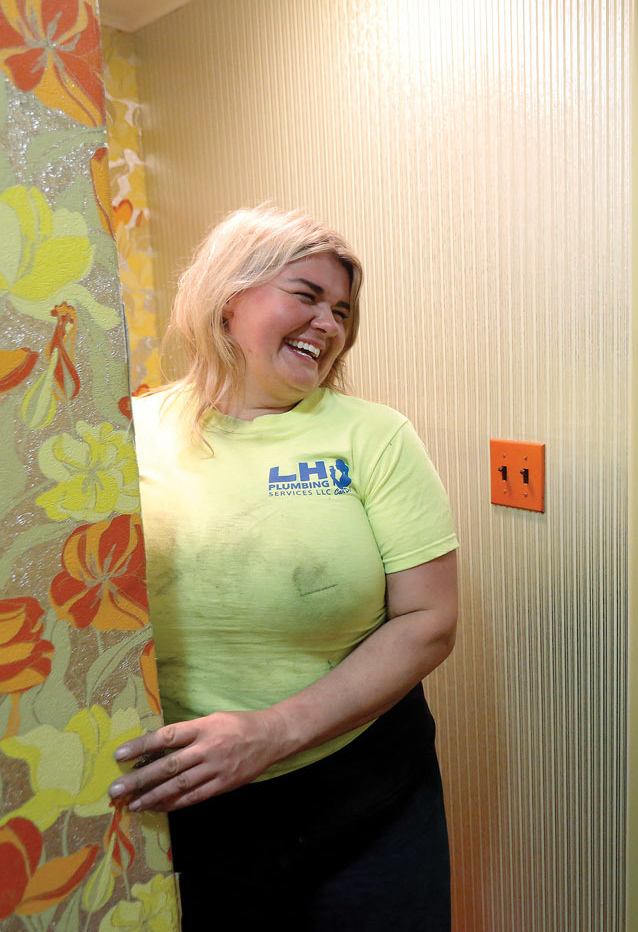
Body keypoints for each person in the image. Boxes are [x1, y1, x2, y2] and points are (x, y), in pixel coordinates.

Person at [109, 205, 460, 931]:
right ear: (227, 299)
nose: (329, 324)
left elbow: (429, 620)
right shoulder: (132, 436)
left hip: (364, 791)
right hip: (194, 803)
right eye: (307, 295)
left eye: (342, 310)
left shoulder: (374, 436)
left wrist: (272, 731)